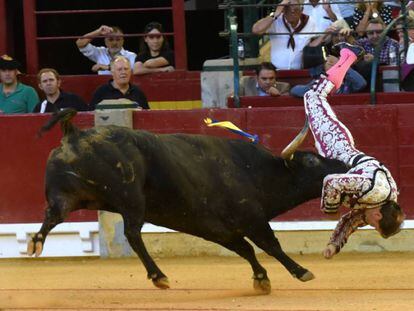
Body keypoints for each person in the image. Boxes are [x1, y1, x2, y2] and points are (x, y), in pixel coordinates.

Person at [300, 43, 404, 258]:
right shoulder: (373, 190)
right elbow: (332, 182)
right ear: (376, 216)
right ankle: (349, 55)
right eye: (375, 226)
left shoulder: (381, 202)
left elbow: (351, 221)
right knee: (313, 96)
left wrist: (334, 245)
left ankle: (347, 56)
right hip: (335, 146)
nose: (369, 225)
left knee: (315, 97)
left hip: (336, 152)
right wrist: (330, 210)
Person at [252, 0, 317, 70]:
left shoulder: (309, 22)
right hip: (277, 71)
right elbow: (256, 30)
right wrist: (274, 15)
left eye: (296, 9)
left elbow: (313, 42)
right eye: (288, 9)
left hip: (299, 71)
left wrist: (325, 36)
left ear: (302, 10)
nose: (292, 12)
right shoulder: (275, 21)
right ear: (283, 10)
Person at [290, 54, 366, 97]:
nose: (334, 66)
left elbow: (361, 83)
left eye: (336, 63)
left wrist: (342, 65)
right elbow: (295, 90)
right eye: (330, 63)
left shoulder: (349, 84)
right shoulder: (318, 83)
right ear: (325, 67)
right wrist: (313, 87)